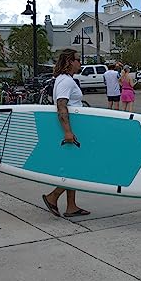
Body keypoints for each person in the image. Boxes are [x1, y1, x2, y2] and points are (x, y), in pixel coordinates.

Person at [42, 49, 90, 218]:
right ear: (70, 62)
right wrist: (68, 132)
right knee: (76, 168)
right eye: (77, 60)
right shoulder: (65, 81)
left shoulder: (66, 80)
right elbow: (61, 105)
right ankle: (52, 197)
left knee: (73, 165)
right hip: (71, 130)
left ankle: (71, 206)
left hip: (75, 129)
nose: (80, 63)